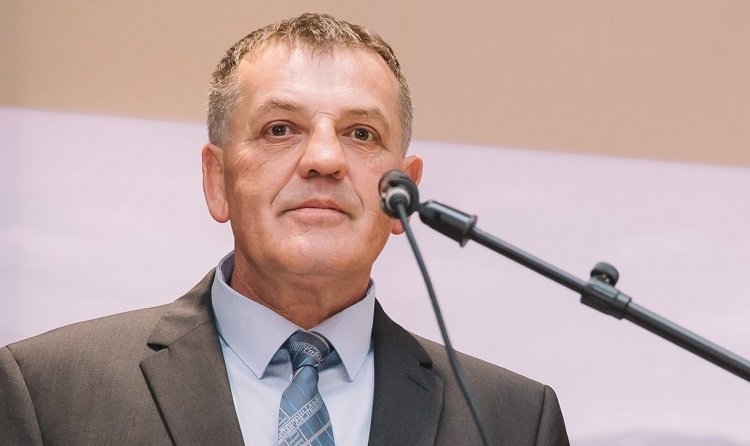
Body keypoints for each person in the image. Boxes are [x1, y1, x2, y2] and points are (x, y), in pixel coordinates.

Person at [0, 13, 569, 445]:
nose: (325, 159)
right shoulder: (48, 393)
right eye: (280, 129)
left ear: (404, 191)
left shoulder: (514, 421)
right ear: (217, 181)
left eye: (362, 134)